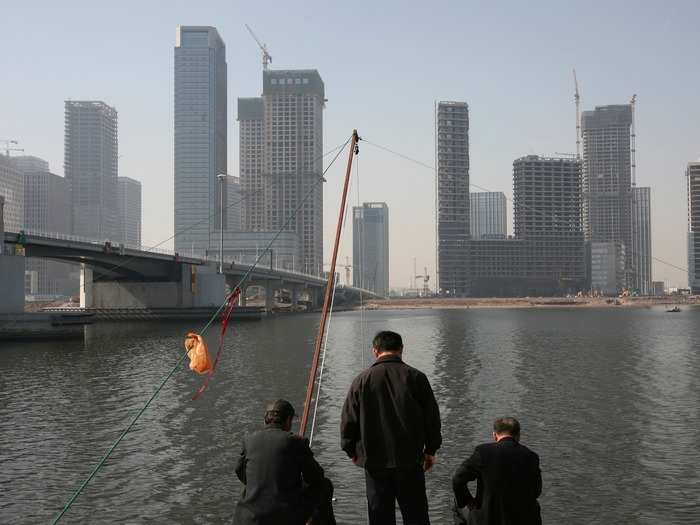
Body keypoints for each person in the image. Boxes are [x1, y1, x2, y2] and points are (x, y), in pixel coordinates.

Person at [340, 330, 442, 525]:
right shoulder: (416, 377)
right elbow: (432, 419)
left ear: (375, 351)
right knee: (416, 515)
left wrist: (351, 450)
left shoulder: (361, 380)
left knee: (380, 517)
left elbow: (348, 421)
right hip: (410, 461)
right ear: (401, 349)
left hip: (374, 462)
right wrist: (430, 450)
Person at [234, 399, 336, 525]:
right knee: (325, 485)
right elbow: (316, 478)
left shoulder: (248, 440)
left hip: (247, 518)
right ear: (288, 421)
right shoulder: (297, 442)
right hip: (285, 516)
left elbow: (240, 472)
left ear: (265, 420)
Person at [452, 417, 542, 525]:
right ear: (518, 436)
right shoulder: (531, 456)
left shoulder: (483, 452)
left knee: (458, 503)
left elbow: (457, 479)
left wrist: (468, 500)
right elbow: (536, 491)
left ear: (494, 435)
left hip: (488, 519)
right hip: (522, 519)